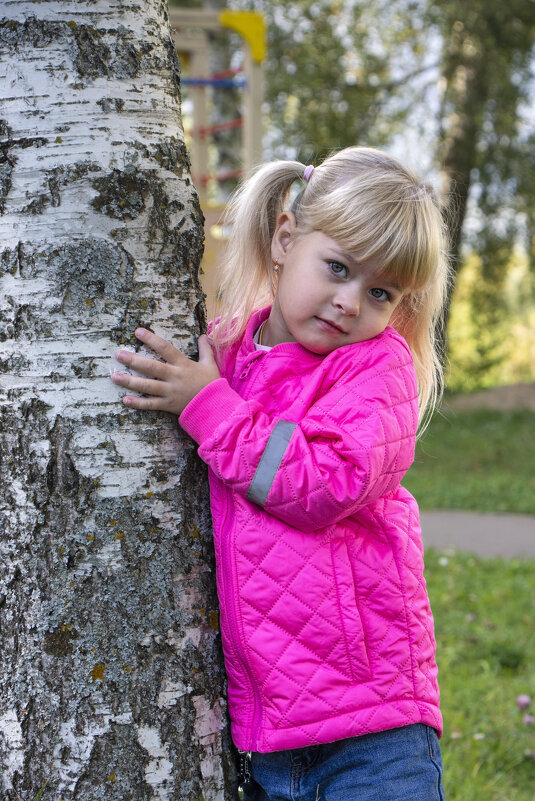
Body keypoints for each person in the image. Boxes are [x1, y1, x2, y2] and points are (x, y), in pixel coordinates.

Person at [111, 147, 449, 801]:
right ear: (286, 238)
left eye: (379, 292)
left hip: (371, 731)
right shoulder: (226, 353)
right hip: (265, 736)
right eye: (338, 268)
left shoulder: (375, 368)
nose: (349, 302)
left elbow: (323, 483)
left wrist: (208, 407)